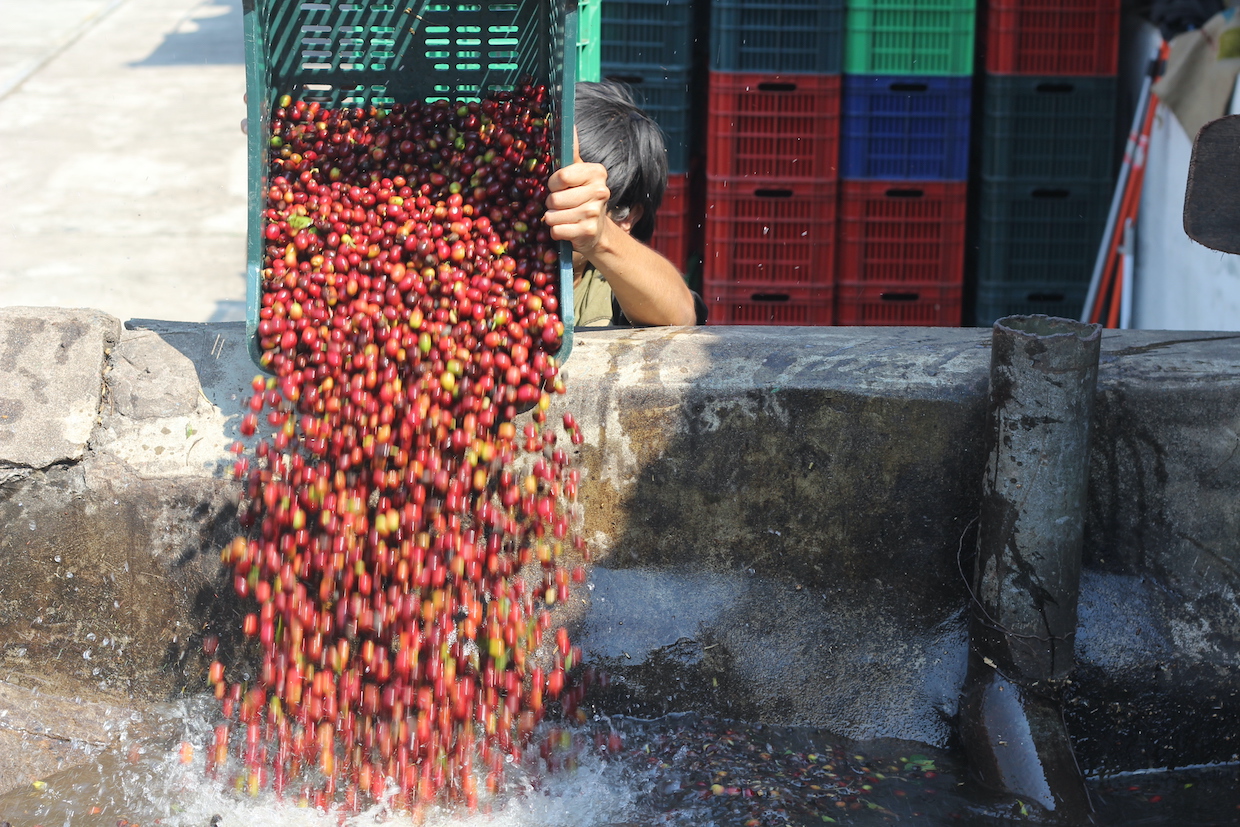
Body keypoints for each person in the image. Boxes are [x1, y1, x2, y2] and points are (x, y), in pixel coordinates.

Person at [543, 81, 704, 328]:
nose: (547, 212)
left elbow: (682, 314)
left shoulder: (607, 290)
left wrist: (600, 237)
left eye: (570, 196)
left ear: (625, 216)